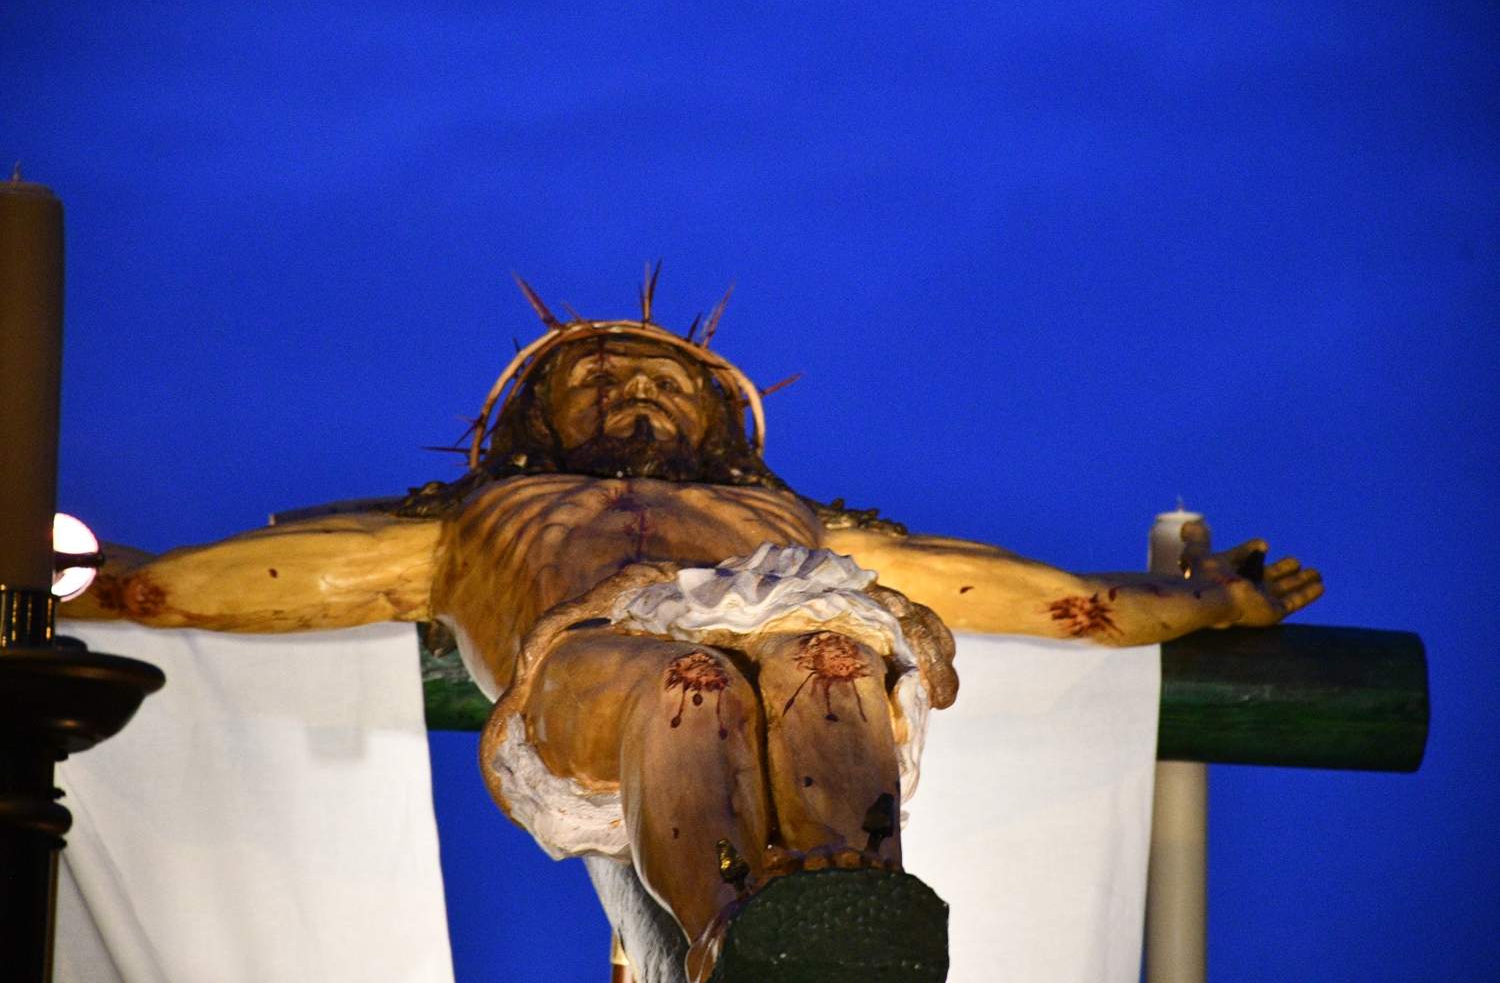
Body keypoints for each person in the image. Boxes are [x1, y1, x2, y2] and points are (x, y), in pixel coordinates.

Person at [68, 277, 1322, 981]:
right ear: (538, 418)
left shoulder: (794, 521)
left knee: (830, 649)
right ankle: (737, 947)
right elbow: (243, 578)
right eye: (599, 378)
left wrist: (1205, 601)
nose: (635, 389)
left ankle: (847, 913)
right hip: (596, 660)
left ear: (717, 419)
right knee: (688, 683)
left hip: (788, 616)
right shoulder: (471, 519)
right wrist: (91, 575)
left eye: (664, 380)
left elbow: (1016, 589)